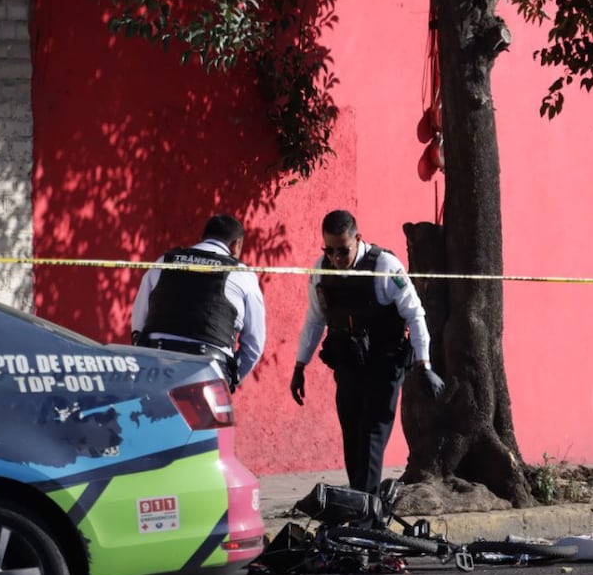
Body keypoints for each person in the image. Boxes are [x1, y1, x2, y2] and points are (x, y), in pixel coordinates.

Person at [289, 209, 444, 502]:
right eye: (329, 250)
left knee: (372, 434)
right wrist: (300, 365)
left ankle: (365, 515)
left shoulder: (385, 266)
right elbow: (314, 320)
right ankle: (361, 506)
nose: (336, 258)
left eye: (342, 250)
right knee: (351, 434)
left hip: (385, 363)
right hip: (348, 362)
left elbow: (415, 314)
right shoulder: (322, 271)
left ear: (358, 239)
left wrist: (424, 364)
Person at [131, 214, 266, 391]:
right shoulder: (243, 274)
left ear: (202, 238)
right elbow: (255, 344)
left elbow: (138, 324)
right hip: (209, 371)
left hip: (156, 366)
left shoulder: (165, 261)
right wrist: (232, 379)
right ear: (236, 245)